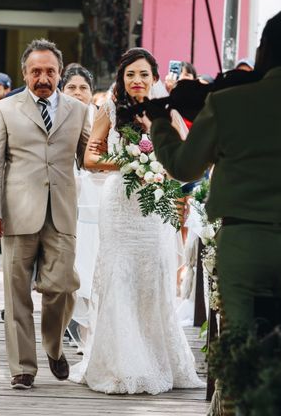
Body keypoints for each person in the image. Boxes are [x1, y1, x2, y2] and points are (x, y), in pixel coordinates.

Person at [149, 10, 281, 328]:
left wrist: (161, 125)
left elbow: (184, 167)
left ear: (266, 48)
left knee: (242, 343)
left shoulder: (226, 102)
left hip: (243, 237)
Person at [68, 48, 204, 395]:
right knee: (119, 276)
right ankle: (120, 361)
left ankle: (157, 359)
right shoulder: (109, 109)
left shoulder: (167, 111)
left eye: (144, 74)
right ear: (121, 78)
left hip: (154, 205)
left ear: (155, 78)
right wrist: (129, 164)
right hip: (119, 204)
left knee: (152, 277)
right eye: (130, 74)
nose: (137, 81)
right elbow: (91, 156)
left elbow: (186, 159)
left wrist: (158, 168)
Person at [0, 39, 90, 390]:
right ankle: (22, 368)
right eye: (36, 71)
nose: (43, 77)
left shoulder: (78, 110)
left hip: (61, 211)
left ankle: (54, 347)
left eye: (50, 71)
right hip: (15, 213)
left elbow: (89, 156)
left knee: (62, 287)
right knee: (16, 294)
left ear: (60, 73)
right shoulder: (5, 109)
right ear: (25, 73)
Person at [60, 63, 103, 349]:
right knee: (69, 268)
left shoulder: (101, 119)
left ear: (91, 92)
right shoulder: (55, 118)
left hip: (94, 201)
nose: (77, 93)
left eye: (83, 88)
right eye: (71, 87)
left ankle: (91, 332)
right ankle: (71, 326)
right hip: (64, 202)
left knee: (91, 263)